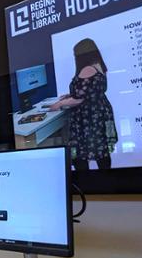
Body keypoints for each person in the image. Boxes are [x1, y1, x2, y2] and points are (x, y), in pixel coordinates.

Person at [48, 38, 117, 170]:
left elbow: (80, 99)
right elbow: (91, 91)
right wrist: (70, 95)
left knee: (81, 154)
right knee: (101, 151)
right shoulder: (99, 65)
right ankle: (107, 180)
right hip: (100, 113)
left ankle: (85, 182)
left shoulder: (87, 69)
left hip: (89, 118)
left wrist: (59, 104)